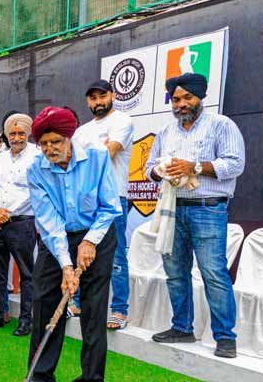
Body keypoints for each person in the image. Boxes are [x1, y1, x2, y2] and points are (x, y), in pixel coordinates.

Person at [17, 106, 120, 382]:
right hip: (56, 239)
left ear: (69, 137)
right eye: (44, 144)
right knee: (44, 303)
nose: (50, 149)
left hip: (97, 234)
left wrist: (89, 243)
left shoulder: (97, 158)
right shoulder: (36, 169)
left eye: (56, 143)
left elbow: (109, 207)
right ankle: (40, 375)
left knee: (93, 309)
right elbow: (48, 221)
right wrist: (66, 264)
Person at [145, 73, 245, 359]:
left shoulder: (221, 125)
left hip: (208, 208)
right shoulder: (166, 132)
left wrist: (194, 167)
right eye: (176, 99)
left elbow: (235, 163)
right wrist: (161, 170)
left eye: (187, 97)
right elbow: (149, 168)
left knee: (213, 273)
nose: (181, 104)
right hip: (173, 208)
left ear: (200, 97)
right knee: (175, 273)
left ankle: (225, 337)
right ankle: (181, 327)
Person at [73, 80, 134, 331]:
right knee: (80, 252)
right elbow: (72, 163)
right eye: (93, 98)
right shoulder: (81, 131)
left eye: (102, 96)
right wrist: (97, 150)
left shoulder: (122, 121)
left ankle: (119, 309)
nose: (98, 102)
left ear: (113, 95)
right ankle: (76, 302)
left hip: (113, 197)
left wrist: (91, 153)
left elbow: (108, 153)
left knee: (117, 255)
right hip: (85, 200)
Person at [0, 113, 40, 336]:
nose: (16, 137)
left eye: (20, 133)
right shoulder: (1, 158)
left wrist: (8, 213)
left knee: (27, 273)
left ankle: (26, 319)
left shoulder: (37, 155)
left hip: (23, 223)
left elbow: (35, 190)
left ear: (28, 134)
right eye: (12, 133)